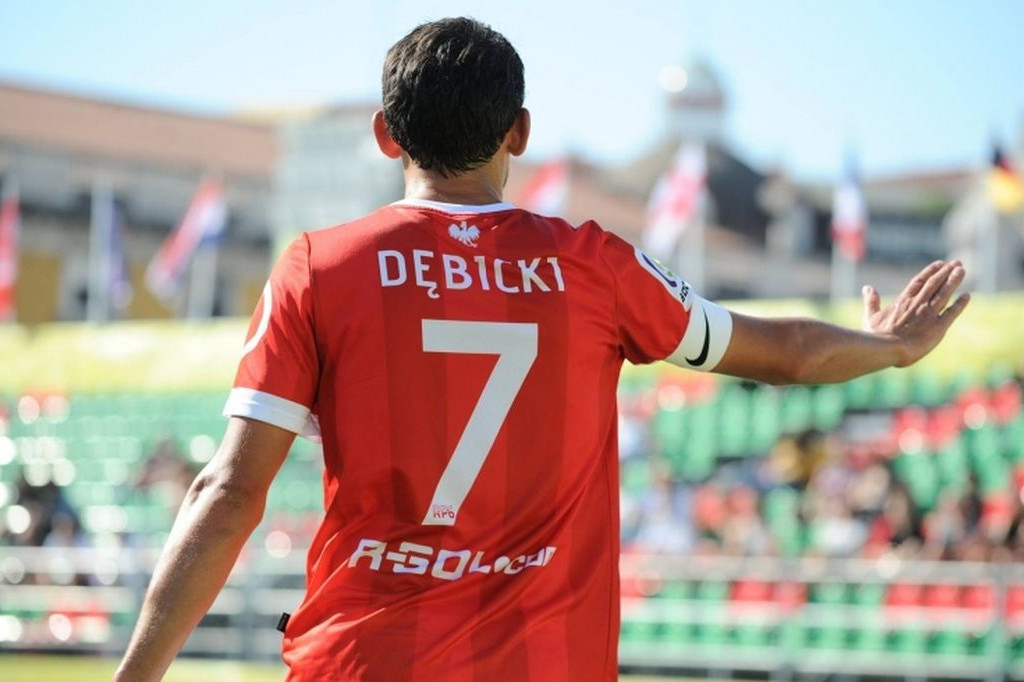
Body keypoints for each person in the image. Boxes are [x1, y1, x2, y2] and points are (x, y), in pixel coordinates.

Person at [115, 17, 969, 682]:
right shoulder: (594, 266)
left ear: (385, 134)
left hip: (361, 662)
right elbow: (787, 354)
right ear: (520, 131)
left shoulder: (319, 268)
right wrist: (890, 345)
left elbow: (230, 491)